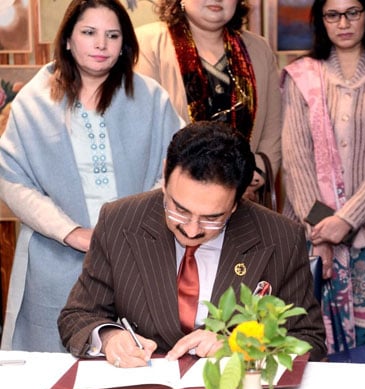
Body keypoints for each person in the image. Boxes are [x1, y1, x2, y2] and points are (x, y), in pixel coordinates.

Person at [58, 121, 326, 366]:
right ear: (165, 175)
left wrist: (239, 346)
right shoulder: (120, 221)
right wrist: (109, 337)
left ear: (237, 202)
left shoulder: (280, 237)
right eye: (180, 209)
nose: (192, 229)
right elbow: (79, 315)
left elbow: (308, 340)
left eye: (212, 218)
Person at [0, 0, 183, 352]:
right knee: (54, 366)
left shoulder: (150, 98)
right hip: (55, 256)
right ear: (68, 39)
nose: (101, 44)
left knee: (137, 360)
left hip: (139, 254)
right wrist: (72, 233)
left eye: (112, 35)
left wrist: (137, 225)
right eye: (89, 33)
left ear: (123, 45)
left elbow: (175, 169)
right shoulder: (33, 102)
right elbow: (12, 179)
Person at [280, 0, 365, 363]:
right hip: (311, 235)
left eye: (352, 12)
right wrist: (323, 226)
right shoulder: (301, 76)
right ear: (320, 21)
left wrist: (346, 220)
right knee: (305, 336)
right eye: (332, 14)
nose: (343, 22)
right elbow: (296, 161)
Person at [135, 0, 281, 202]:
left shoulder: (259, 48)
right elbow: (144, 131)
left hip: (243, 196)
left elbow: (273, 129)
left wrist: (253, 174)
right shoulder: (147, 43)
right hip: (175, 198)